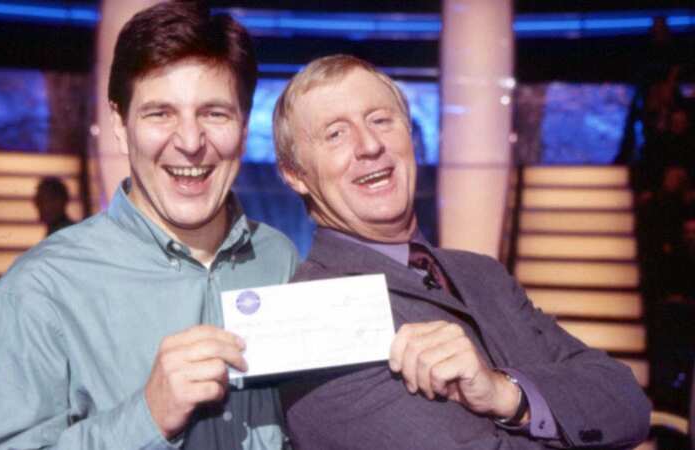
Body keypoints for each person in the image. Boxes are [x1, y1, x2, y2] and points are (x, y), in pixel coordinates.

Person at [0, 2, 299, 449]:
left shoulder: (279, 259)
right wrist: (146, 416)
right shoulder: (41, 289)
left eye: (215, 113)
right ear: (120, 126)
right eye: (160, 114)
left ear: (244, 124)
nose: (191, 142)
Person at [272, 54, 650, 449]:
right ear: (295, 175)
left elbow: (627, 401)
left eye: (381, 120)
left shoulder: (482, 274)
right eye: (335, 134)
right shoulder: (310, 318)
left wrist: (507, 395)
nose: (369, 145)